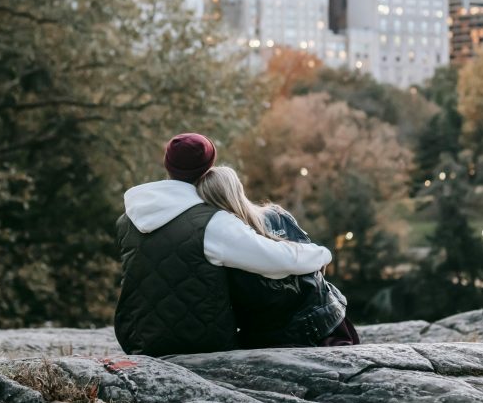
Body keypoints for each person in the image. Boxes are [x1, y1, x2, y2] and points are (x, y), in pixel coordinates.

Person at [113, 133, 332, 357]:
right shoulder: (212, 222)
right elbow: (278, 261)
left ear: (167, 164)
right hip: (198, 343)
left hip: (137, 340)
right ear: (209, 166)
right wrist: (321, 254)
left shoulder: (129, 218)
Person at [196, 166, 360, 348]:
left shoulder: (220, 239)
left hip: (271, 335)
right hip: (323, 321)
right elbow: (315, 266)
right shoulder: (276, 215)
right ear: (237, 188)